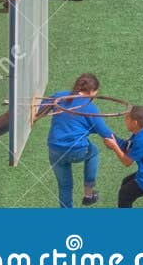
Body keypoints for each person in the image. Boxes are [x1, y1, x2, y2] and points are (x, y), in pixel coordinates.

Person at [40, 73, 115, 208]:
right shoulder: (90, 107)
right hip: (77, 150)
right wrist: (123, 144)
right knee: (94, 152)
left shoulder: (59, 96)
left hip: (55, 150)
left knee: (64, 186)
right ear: (91, 91)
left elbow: (39, 110)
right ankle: (88, 194)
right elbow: (106, 133)